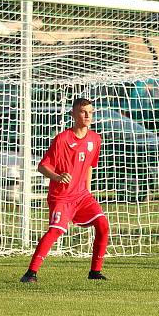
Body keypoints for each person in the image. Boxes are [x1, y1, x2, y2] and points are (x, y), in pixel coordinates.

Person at [20, 98, 110, 283]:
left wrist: (88, 190)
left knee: (103, 225)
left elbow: (89, 167)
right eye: (83, 112)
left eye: (90, 112)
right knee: (55, 231)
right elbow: (42, 166)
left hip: (82, 195)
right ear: (74, 114)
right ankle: (30, 273)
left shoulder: (95, 139)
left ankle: (95, 272)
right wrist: (58, 177)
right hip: (61, 196)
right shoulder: (62, 139)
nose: (87, 116)